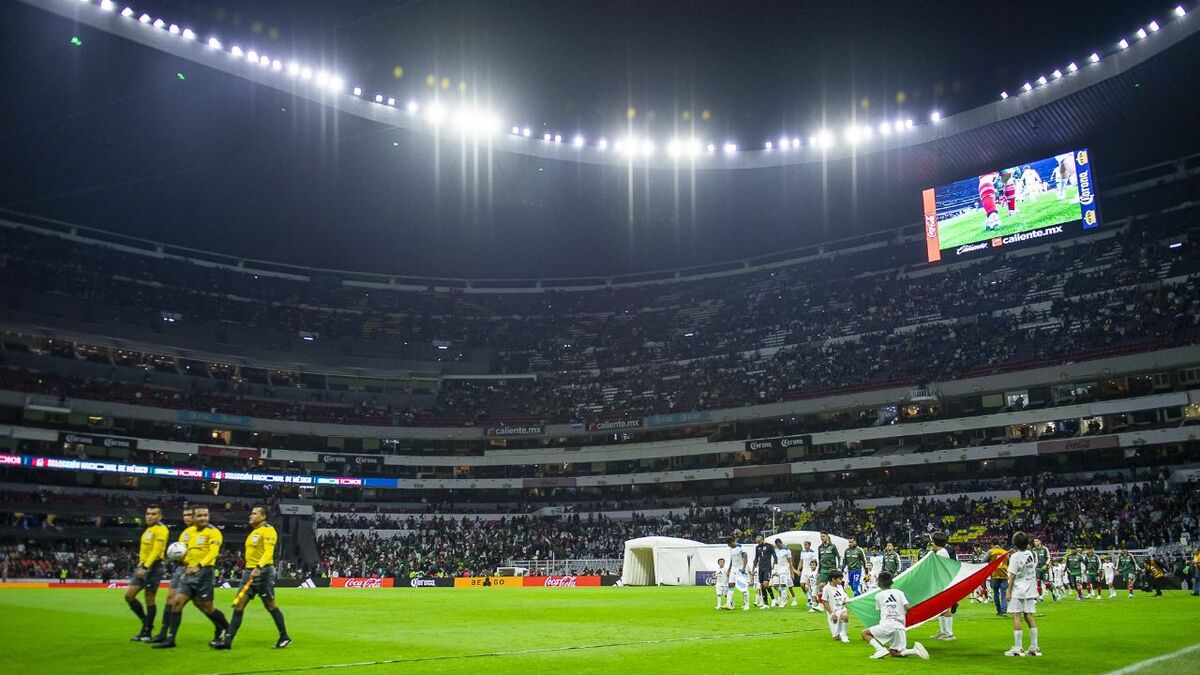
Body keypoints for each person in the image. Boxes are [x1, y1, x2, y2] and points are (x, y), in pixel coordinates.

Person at [213, 505, 291, 649]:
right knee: (238, 605)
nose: (251, 515)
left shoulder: (268, 530)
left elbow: (269, 552)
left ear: (263, 516)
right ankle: (228, 642)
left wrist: (258, 567)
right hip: (249, 572)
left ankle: (284, 636)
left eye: (254, 513)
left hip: (263, 572)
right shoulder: (254, 532)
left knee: (270, 604)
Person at [153, 506, 230, 649]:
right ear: (194, 518)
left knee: (207, 608)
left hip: (204, 573)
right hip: (188, 573)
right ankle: (171, 639)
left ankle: (226, 628)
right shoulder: (187, 533)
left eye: (205, 515)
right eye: (199, 516)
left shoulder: (213, 532)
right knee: (177, 602)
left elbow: (213, 552)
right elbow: (184, 552)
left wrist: (199, 566)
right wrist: (178, 559)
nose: (203, 518)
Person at [860, 571, 928, 660]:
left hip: (887, 624)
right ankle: (914, 651)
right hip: (900, 627)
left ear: (879, 583)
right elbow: (907, 607)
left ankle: (880, 650)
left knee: (864, 633)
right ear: (891, 582)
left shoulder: (878, 596)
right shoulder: (899, 592)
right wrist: (902, 616)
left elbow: (880, 610)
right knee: (894, 653)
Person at [150, 507, 194, 644]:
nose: (186, 518)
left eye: (189, 515)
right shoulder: (185, 533)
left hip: (191, 569)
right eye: (184, 515)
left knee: (205, 606)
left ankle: (221, 626)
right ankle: (164, 633)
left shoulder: (200, 533)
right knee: (170, 599)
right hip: (180, 567)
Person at [127, 505, 169, 641]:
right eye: (148, 513)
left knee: (149, 599)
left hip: (153, 567)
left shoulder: (161, 529)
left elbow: (157, 550)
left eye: (154, 514)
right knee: (129, 596)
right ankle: (147, 623)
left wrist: (145, 567)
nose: (150, 516)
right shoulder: (148, 529)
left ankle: (146, 632)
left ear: (160, 516)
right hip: (143, 566)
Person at [1004, 531, 1042, 657]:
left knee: (1016, 617)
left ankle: (1018, 648)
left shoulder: (1015, 557)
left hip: (1018, 590)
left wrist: (1008, 591)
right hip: (1030, 589)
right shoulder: (1030, 554)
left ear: (1014, 543)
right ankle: (1034, 647)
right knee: (1029, 616)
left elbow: (1012, 576)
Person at [928, 531, 956, 641]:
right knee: (940, 607)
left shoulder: (942, 553)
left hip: (944, 583)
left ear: (934, 542)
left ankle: (949, 633)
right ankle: (943, 631)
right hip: (940, 582)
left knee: (946, 607)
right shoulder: (940, 552)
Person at [823, 570, 850, 643]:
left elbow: (845, 596)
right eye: (840, 579)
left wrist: (846, 600)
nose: (841, 581)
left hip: (841, 609)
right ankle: (840, 634)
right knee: (836, 637)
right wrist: (832, 613)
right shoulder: (826, 588)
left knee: (845, 616)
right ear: (833, 579)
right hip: (833, 612)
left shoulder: (840, 586)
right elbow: (824, 601)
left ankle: (844, 635)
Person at [751, 534, 777, 609]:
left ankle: (773, 598)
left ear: (762, 540)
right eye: (757, 542)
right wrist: (753, 569)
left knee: (766, 584)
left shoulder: (769, 546)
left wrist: (775, 566)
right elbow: (756, 559)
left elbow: (775, 556)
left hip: (767, 568)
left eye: (759, 542)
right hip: (760, 568)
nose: (758, 543)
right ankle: (766, 604)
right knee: (762, 586)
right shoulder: (757, 548)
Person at [772, 539, 797, 607]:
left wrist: (792, 572)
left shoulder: (787, 550)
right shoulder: (776, 550)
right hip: (778, 570)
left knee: (788, 586)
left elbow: (790, 562)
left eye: (779, 545)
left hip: (785, 570)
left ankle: (784, 601)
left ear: (781, 543)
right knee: (775, 586)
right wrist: (773, 568)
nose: (778, 546)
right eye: (777, 546)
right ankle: (785, 596)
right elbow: (775, 560)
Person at [816, 532, 840, 604]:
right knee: (820, 586)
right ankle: (821, 604)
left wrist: (838, 567)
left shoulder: (833, 546)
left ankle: (839, 601)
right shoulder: (820, 547)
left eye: (823, 536)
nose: (822, 538)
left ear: (827, 537)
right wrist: (818, 571)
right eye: (821, 536)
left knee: (834, 587)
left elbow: (838, 557)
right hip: (823, 569)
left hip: (832, 569)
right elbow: (819, 559)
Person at [988, 541, 1011, 616]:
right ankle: (1004, 610)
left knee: (996, 593)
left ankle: (999, 610)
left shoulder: (991, 551)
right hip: (1004, 575)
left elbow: (983, 561)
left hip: (994, 575)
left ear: (992, 545)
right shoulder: (1005, 552)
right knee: (1003, 593)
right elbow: (1009, 563)